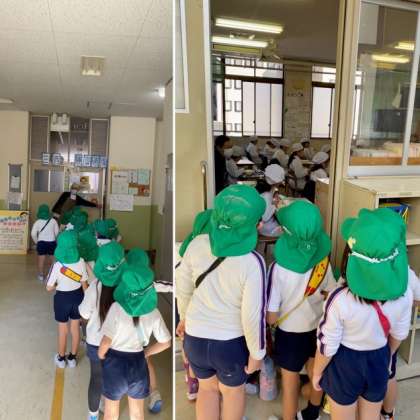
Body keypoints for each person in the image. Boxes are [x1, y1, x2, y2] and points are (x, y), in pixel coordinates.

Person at [176, 184, 267, 420]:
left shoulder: (197, 244)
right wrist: (257, 354)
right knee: (232, 392)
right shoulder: (253, 262)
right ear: (256, 226)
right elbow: (252, 315)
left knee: (207, 390)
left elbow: (183, 287)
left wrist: (184, 318)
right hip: (230, 345)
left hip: (195, 338)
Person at [313, 208, 412, 420]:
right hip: (379, 356)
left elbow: (327, 345)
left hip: (345, 362)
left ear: (349, 257)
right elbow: (399, 335)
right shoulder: (405, 295)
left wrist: (317, 372)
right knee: (370, 415)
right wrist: (386, 357)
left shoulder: (339, 299)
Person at [266, 201, 335, 420]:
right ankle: (312, 413)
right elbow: (331, 296)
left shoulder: (277, 269)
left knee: (290, 384)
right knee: (316, 374)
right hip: (317, 329)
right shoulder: (323, 263)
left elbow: (272, 316)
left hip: (289, 334)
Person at [98, 263, 171, 420]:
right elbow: (166, 342)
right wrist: (146, 353)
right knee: (137, 414)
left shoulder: (116, 308)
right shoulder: (153, 312)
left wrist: (101, 355)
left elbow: (105, 342)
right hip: (138, 363)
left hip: (115, 363)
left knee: (110, 413)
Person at [79, 241, 126, 420]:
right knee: (113, 378)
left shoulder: (94, 287)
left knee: (96, 377)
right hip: (119, 343)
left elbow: (83, 313)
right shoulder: (127, 287)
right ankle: (109, 408)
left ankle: (93, 415)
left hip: (95, 342)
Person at [46, 230, 89, 368]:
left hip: (62, 299)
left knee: (63, 329)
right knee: (75, 328)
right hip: (78, 297)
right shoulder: (81, 261)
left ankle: (61, 358)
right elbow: (84, 285)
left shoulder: (57, 265)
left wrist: (58, 284)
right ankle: (72, 358)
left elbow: (49, 288)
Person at [31, 203, 59, 281]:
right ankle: (52, 275)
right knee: (53, 260)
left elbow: (33, 234)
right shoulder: (53, 221)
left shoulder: (37, 222)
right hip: (52, 242)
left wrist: (37, 242)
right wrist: (54, 238)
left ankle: (41, 275)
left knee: (41, 260)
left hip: (41, 243)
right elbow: (57, 232)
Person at [258, 164, 286, 238]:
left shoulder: (267, 190)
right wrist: (275, 205)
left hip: (263, 225)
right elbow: (265, 218)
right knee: (291, 229)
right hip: (267, 228)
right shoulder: (267, 195)